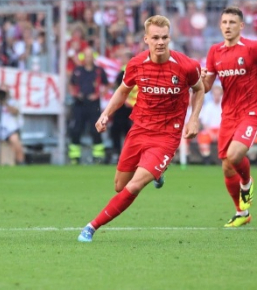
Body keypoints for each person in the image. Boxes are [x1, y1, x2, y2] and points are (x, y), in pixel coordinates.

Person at [77, 15, 205, 242]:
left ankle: (91, 227)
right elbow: (123, 91)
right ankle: (158, 172)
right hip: (140, 130)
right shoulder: (136, 64)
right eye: (155, 37)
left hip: (167, 135)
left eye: (165, 37)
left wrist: (193, 118)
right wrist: (106, 114)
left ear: (170, 38)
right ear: (146, 39)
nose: (160, 42)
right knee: (120, 186)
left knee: (135, 185)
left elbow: (199, 88)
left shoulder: (187, 65)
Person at [200, 6, 257, 227]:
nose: (227, 26)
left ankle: (247, 183)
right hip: (228, 115)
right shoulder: (214, 52)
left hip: (252, 112)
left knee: (235, 155)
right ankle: (242, 213)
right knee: (227, 166)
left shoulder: (254, 48)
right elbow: (207, 86)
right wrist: (199, 79)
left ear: (241, 26)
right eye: (224, 22)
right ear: (220, 25)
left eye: (232, 22)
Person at [68, 47, 109, 165]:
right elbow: (71, 84)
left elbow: (106, 85)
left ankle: (98, 156)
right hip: (79, 103)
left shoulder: (99, 71)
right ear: (83, 57)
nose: (88, 58)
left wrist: (98, 95)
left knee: (95, 129)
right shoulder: (78, 70)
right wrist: (75, 94)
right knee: (76, 129)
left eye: (90, 56)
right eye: (86, 56)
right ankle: (74, 157)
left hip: (93, 104)